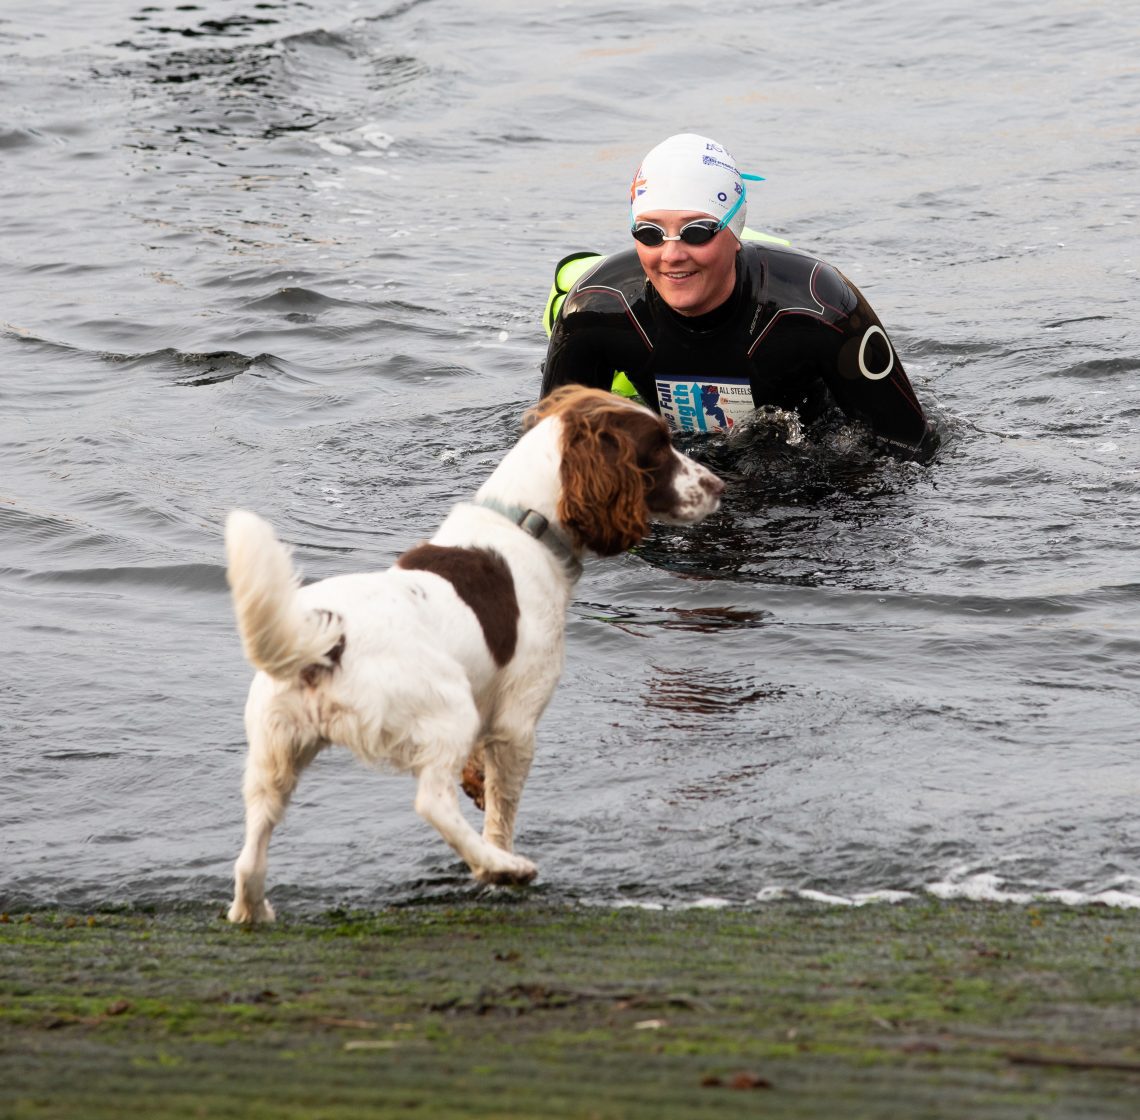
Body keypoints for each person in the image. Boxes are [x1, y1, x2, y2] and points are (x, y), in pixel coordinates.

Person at [540, 133, 939, 459]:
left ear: (735, 231)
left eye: (696, 231)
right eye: (650, 233)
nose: (672, 254)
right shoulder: (597, 308)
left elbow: (908, 445)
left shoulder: (818, 305)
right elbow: (548, 457)